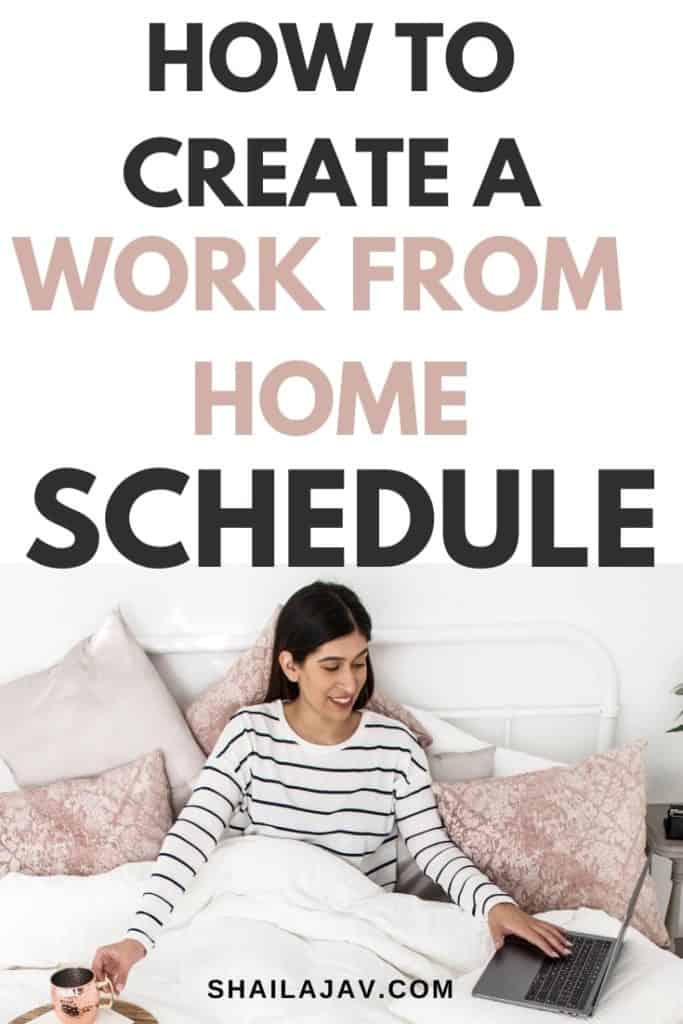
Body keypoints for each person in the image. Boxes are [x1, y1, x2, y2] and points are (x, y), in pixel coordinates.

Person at [92, 581, 571, 994]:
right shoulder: (250, 732)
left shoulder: (395, 746)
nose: (350, 681)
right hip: (262, 920)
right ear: (291, 665)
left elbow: (432, 848)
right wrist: (137, 939)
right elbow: (194, 834)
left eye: (359, 662)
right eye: (332, 665)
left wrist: (496, 905)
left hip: (357, 927)